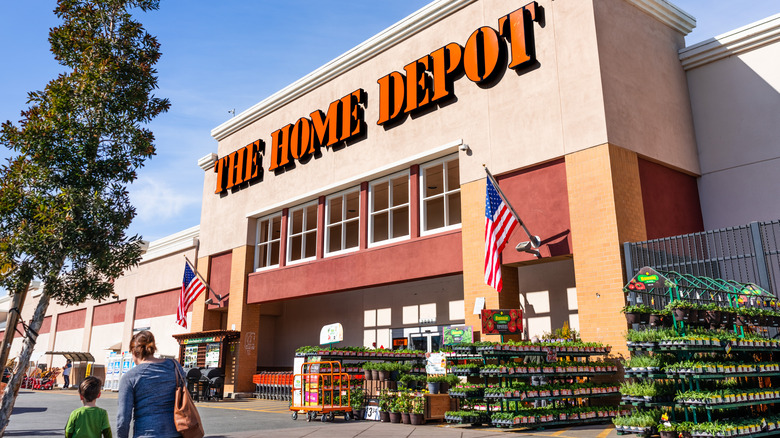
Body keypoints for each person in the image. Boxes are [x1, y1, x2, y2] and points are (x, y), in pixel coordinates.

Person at [117, 330, 184, 438]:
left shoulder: (129, 377)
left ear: (134, 352)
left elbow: (123, 419)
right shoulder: (175, 366)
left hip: (146, 434)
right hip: (176, 432)